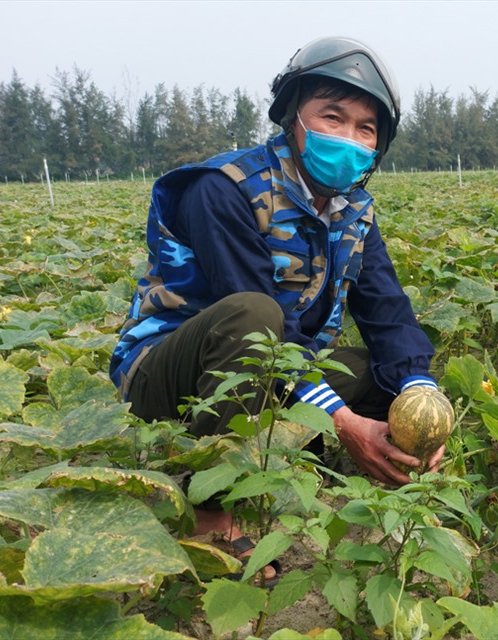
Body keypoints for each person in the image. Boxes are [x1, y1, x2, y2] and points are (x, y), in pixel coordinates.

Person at [109, 37, 444, 584]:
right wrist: (342, 421)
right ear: (293, 118)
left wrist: (420, 394)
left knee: (385, 370)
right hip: (169, 381)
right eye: (332, 117)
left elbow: (388, 311)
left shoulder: (355, 212)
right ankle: (208, 507)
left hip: (274, 373)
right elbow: (256, 326)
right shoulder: (224, 189)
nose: (349, 138)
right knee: (253, 316)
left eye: (366, 128)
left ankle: (335, 455)